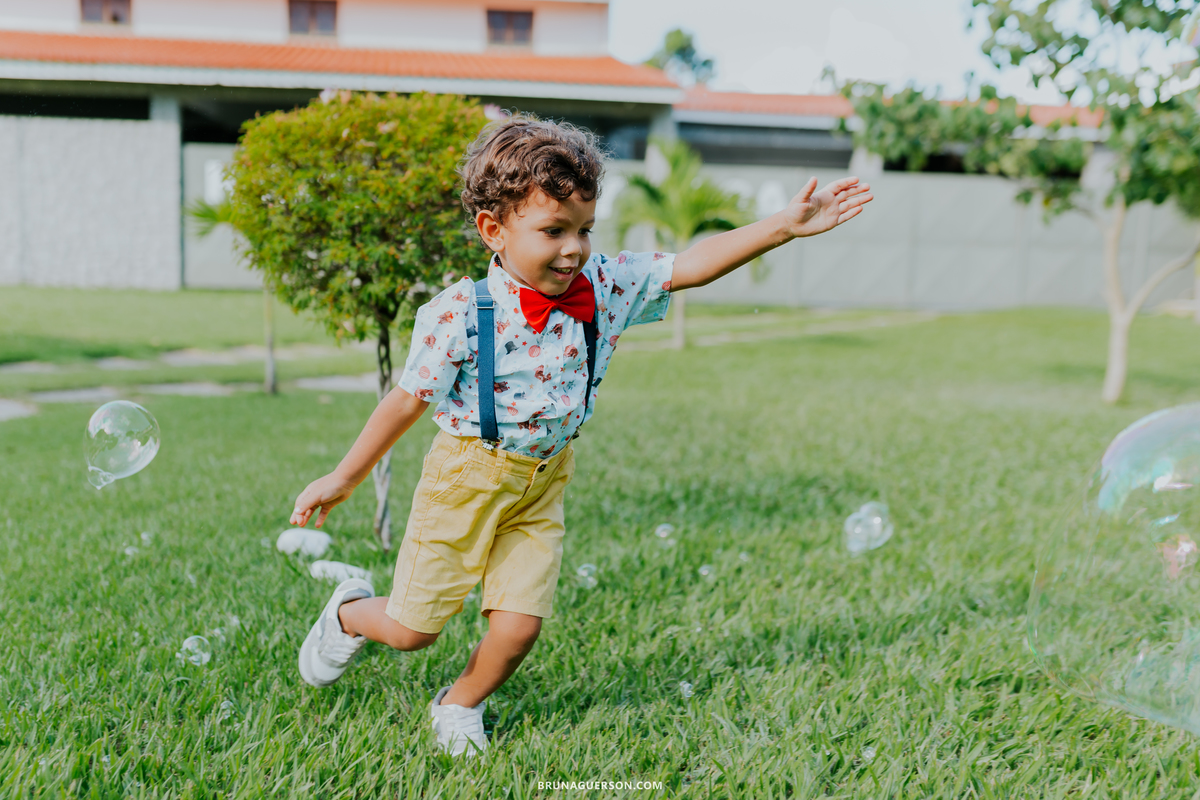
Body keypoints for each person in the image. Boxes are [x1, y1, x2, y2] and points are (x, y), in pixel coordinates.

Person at [288, 117, 872, 757]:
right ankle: (348, 611)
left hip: (543, 481)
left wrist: (781, 227)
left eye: (584, 229)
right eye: (553, 231)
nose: (573, 248)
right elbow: (406, 401)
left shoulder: (605, 286)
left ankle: (459, 704)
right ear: (494, 230)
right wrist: (344, 475)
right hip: (464, 478)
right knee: (410, 630)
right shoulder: (459, 312)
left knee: (518, 627)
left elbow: (689, 266)